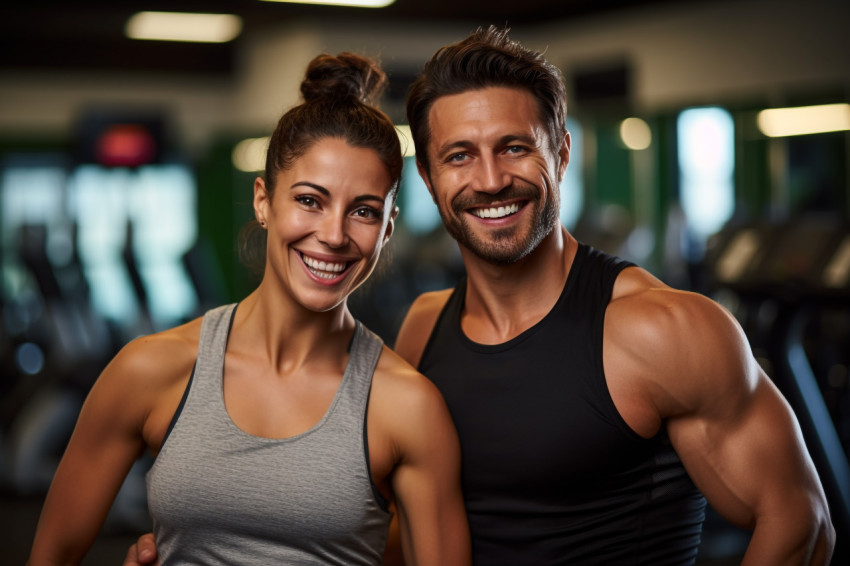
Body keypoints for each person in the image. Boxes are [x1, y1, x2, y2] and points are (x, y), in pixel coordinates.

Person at [124, 26, 836, 565]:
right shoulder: (423, 328)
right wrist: (210, 540)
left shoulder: (657, 329)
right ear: (432, 185)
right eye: (460, 156)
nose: (491, 179)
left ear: (560, 153)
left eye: (515, 147)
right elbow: (397, 531)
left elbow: (800, 518)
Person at [26, 52, 470, 566]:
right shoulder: (151, 370)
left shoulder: (408, 408)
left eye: (364, 211)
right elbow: (51, 554)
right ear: (264, 201)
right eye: (310, 200)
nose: (333, 234)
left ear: (388, 229)